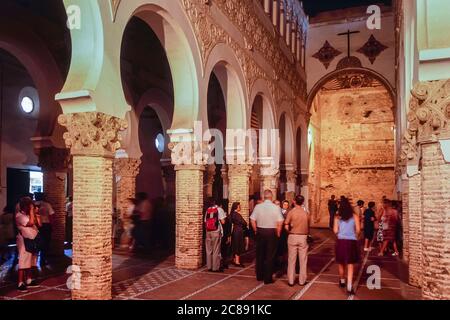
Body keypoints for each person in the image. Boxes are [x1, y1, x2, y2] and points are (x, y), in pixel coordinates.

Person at [250, 190, 284, 284]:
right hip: (271, 232)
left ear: (263, 197)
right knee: (270, 255)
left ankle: (259, 276)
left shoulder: (258, 206)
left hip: (260, 231)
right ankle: (267, 278)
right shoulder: (276, 207)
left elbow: (252, 220)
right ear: (271, 197)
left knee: (260, 254)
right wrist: (278, 232)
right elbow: (280, 221)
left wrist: (256, 230)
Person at [334, 197, 361, 295]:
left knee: (341, 262)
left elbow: (335, 230)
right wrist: (355, 236)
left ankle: (342, 280)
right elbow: (358, 230)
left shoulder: (337, 217)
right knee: (350, 264)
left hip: (341, 241)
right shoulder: (355, 216)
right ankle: (349, 286)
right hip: (351, 241)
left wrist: (340, 235)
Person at [15, 197, 40, 291]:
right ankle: (20, 283)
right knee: (23, 260)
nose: (31, 207)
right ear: (24, 206)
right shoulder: (19, 215)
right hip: (24, 241)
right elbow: (31, 223)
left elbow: (37, 224)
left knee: (31, 260)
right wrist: (32, 212)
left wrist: (33, 212)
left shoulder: (28, 214)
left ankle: (29, 280)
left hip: (31, 240)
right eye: (29, 205)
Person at [285, 195, 310, 287]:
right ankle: (302, 281)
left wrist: (289, 231)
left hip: (293, 236)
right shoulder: (306, 213)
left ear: (294, 201)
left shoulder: (291, 212)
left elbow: (286, 225)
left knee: (291, 259)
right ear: (303, 202)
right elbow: (308, 226)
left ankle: (291, 281)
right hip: (303, 237)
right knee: (303, 260)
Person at [204, 198, 226, 272]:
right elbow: (223, 222)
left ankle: (209, 266)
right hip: (216, 230)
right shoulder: (219, 209)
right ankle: (215, 267)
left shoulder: (208, 210)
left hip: (208, 231)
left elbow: (205, 221)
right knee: (216, 249)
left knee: (208, 249)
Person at [35, 193, 54, 267]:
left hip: (35, 225)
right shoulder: (47, 205)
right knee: (46, 243)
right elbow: (51, 216)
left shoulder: (33, 204)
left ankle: (34, 262)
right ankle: (43, 260)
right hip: (45, 225)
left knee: (36, 243)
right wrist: (52, 226)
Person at [230, 202, 247, 267]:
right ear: (236, 207)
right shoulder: (237, 215)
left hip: (235, 230)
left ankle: (235, 260)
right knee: (238, 245)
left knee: (235, 245)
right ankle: (237, 261)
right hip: (239, 231)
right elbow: (244, 223)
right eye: (239, 206)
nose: (240, 207)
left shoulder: (232, 214)